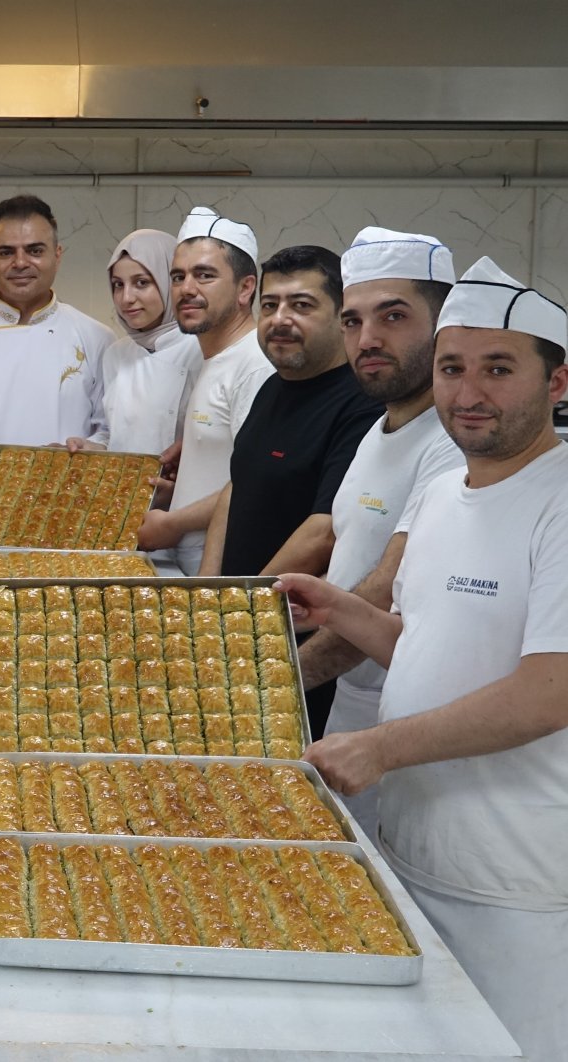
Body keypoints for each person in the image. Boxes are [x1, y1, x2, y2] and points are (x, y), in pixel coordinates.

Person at [281, 257, 568, 1060]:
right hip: (412, 853)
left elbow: (550, 690)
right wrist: (338, 609)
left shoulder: (560, 500)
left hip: (516, 881)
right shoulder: (444, 493)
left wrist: (378, 746)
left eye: (497, 369)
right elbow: (431, 644)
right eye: (451, 367)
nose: (468, 391)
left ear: (556, 381)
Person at [296, 227, 463, 839]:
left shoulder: (452, 443)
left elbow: (385, 591)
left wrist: (271, 679)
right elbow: (347, 566)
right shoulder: (381, 428)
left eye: (393, 316)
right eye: (353, 321)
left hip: (406, 729)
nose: (368, 340)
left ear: (446, 321)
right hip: (350, 708)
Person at [203, 246, 381, 578]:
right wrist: (204, 591)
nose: (280, 319)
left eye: (301, 305)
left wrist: (244, 602)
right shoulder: (272, 387)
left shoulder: (363, 405)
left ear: (343, 317)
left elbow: (323, 532)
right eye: (270, 305)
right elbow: (236, 491)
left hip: (290, 619)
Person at [0, 195, 113, 500]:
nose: (20, 263)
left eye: (35, 251)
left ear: (58, 255)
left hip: (66, 500)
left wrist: (87, 449)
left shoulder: (96, 337)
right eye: (6, 252)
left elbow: (109, 429)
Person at [136, 207, 273, 575]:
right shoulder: (213, 358)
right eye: (178, 277)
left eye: (205, 275)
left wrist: (174, 522)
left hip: (223, 571)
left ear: (246, 288)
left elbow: (259, 487)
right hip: (187, 563)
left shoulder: (256, 366)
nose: (187, 289)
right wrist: (174, 497)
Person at [68, 228, 201, 457]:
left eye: (141, 283)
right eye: (118, 285)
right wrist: (92, 446)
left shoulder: (200, 350)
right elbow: (114, 433)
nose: (126, 298)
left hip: (183, 490)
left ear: (172, 283)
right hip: (126, 487)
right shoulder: (116, 354)